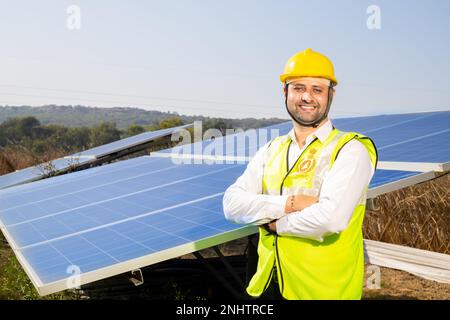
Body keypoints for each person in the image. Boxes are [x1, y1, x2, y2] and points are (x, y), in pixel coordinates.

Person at [223, 48, 378, 300]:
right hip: (268, 284)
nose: (307, 97)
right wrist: (289, 203)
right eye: (298, 88)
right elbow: (232, 204)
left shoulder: (350, 150)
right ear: (284, 92)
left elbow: (331, 219)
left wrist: (275, 224)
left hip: (323, 292)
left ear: (331, 95)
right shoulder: (271, 150)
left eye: (317, 89)